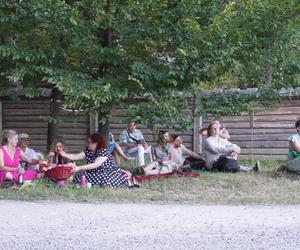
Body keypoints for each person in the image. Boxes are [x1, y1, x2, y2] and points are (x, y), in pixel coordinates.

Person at [59, 133, 128, 187]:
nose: (87, 144)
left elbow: (95, 164)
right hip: (93, 174)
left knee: (102, 180)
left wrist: (79, 167)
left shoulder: (103, 151)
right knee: (81, 177)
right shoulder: (88, 151)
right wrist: (65, 155)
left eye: (89, 142)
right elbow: (76, 156)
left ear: (96, 143)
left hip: (108, 174)